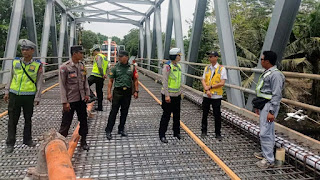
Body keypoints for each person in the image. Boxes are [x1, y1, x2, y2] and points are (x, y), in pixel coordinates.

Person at [4, 39, 43, 153]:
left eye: (27, 49)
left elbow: (40, 82)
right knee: (12, 120)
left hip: (29, 96)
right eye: (23, 49)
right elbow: (10, 77)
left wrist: (37, 97)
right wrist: (7, 91)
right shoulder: (15, 62)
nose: (24, 51)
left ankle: (27, 139)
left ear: (32, 51)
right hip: (15, 94)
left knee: (28, 119)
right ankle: (10, 143)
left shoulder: (37, 65)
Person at [253, 51, 285, 168]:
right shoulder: (268, 72)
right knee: (268, 131)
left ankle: (269, 160)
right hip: (264, 106)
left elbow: (277, 95)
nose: (260, 61)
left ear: (267, 61)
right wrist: (258, 106)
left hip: (269, 107)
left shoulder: (276, 75)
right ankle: (267, 153)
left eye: (262, 59)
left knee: (265, 132)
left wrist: (271, 111)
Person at [58, 45, 90, 151]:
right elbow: (62, 86)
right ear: (75, 53)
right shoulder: (65, 67)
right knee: (66, 123)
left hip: (81, 99)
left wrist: (87, 94)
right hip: (70, 100)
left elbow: (85, 81)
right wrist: (64, 102)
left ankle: (83, 141)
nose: (82, 55)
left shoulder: (81, 66)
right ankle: (60, 144)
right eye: (81, 53)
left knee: (83, 121)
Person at [105, 50, 139, 140]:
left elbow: (135, 79)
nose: (119, 58)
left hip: (127, 92)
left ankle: (121, 129)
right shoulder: (115, 67)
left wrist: (136, 91)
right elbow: (110, 81)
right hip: (117, 92)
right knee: (114, 112)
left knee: (124, 112)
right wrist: (108, 93)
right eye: (119, 56)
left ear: (126, 57)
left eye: (121, 56)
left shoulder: (132, 68)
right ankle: (108, 130)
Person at [201, 51, 227, 140]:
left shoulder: (221, 69)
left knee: (217, 115)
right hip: (206, 95)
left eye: (212, 56)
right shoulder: (207, 68)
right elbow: (203, 80)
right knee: (204, 114)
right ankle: (203, 131)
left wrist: (210, 87)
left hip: (216, 96)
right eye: (209, 57)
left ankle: (218, 133)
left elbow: (222, 83)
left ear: (216, 57)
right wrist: (207, 90)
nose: (210, 58)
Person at [159, 48, 182, 143]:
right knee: (166, 115)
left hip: (177, 95)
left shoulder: (178, 66)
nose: (180, 57)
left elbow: (178, 80)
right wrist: (167, 95)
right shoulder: (167, 67)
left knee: (177, 115)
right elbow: (164, 82)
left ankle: (176, 132)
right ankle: (162, 134)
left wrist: (180, 92)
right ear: (175, 56)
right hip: (168, 95)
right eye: (179, 55)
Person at [88, 45, 109, 111]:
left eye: (93, 52)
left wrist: (102, 73)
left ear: (95, 51)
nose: (93, 53)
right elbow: (107, 67)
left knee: (84, 84)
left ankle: (92, 96)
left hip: (95, 75)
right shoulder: (104, 57)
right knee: (99, 91)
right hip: (101, 78)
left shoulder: (98, 56)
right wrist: (105, 74)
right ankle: (100, 107)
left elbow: (99, 66)